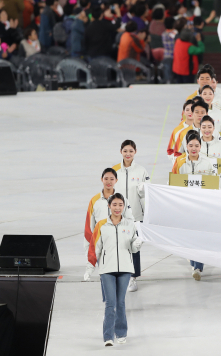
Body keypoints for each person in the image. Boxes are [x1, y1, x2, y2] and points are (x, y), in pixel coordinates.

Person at [84, 193, 142, 346]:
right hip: (107, 270)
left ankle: (121, 332)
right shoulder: (101, 225)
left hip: (125, 269)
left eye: (120, 205)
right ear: (109, 206)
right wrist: (89, 268)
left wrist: (136, 245)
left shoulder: (130, 225)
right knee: (111, 303)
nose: (117, 208)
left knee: (121, 302)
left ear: (124, 206)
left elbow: (133, 247)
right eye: (114, 205)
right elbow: (95, 248)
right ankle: (108, 336)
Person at [171, 131, 216, 280]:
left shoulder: (207, 162)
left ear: (201, 146)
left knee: (201, 236)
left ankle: (197, 266)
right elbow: (174, 182)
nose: (194, 148)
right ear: (186, 146)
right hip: (186, 206)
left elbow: (213, 183)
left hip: (202, 205)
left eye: (197, 145)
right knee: (189, 236)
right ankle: (194, 262)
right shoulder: (179, 162)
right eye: (190, 145)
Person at [112, 140, 149, 292]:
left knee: (134, 247)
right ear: (120, 151)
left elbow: (147, 194)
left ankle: (133, 277)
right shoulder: (114, 171)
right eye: (125, 151)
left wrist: (143, 190)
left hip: (135, 215)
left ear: (135, 152)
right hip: (118, 215)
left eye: (131, 151)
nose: (128, 154)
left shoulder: (141, 171)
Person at [85, 168, 134, 268]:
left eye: (112, 179)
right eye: (106, 178)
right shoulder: (94, 201)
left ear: (116, 180)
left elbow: (130, 221)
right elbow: (89, 227)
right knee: (105, 276)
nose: (108, 182)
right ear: (101, 179)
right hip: (102, 245)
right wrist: (89, 250)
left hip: (120, 245)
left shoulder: (123, 199)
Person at [199, 115, 221, 189]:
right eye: (204, 127)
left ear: (214, 128)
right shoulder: (195, 146)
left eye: (210, 127)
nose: (207, 130)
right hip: (200, 184)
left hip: (217, 186)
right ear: (200, 128)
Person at [161, 17, 177, 83]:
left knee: (168, 76)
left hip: (166, 56)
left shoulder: (163, 34)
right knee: (174, 76)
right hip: (175, 56)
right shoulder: (175, 34)